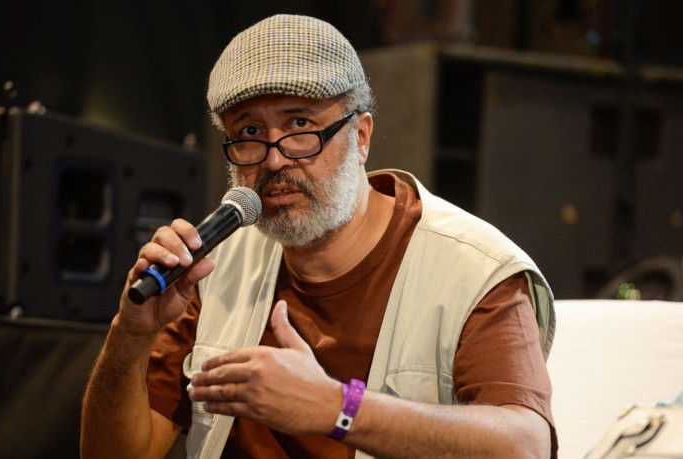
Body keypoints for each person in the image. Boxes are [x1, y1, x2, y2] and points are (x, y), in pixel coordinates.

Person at [81, 14, 556, 459]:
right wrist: (130, 334)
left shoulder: (475, 268)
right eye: (249, 132)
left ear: (361, 135)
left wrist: (337, 407)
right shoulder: (212, 265)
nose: (273, 160)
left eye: (300, 126)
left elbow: (527, 445)